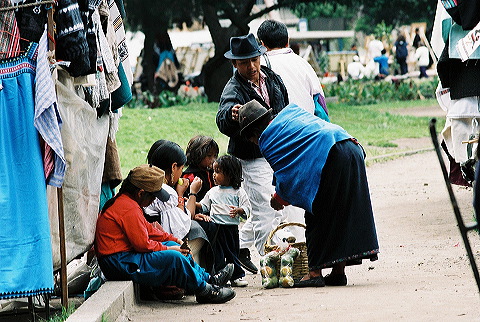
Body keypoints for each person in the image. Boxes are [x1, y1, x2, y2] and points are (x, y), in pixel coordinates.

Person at [237, 100, 379, 287]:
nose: (255, 143)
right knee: (341, 212)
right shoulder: (289, 115)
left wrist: (278, 199)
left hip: (332, 155)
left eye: (252, 140)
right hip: (350, 147)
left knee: (316, 213)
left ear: (253, 134)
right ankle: (338, 272)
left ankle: (314, 272)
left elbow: (289, 176)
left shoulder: (267, 139)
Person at [94, 164, 236, 303]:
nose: (155, 200)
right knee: (174, 257)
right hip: (117, 262)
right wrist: (169, 249)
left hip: (123, 257)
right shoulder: (128, 208)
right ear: (141, 193)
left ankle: (208, 279)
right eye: (153, 196)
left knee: (174, 246)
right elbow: (142, 245)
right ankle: (204, 290)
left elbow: (149, 230)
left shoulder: (128, 202)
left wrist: (176, 241)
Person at [217, 33, 289, 274]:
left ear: (260, 56)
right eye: (244, 62)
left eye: (254, 60)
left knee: (273, 208)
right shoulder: (233, 88)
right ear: (235, 64)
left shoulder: (273, 79)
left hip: (276, 153)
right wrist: (232, 114)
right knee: (266, 209)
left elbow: (285, 107)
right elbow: (222, 117)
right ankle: (272, 264)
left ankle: (238, 247)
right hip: (251, 158)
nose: (251, 66)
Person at [144, 140, 213, 272]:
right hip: (160, 239)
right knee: (203, 228)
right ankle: (209, 277)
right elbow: (181, 227)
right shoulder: (166, 192)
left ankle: (206, 277)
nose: (181, 173)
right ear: (173, 167)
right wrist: (190, 193)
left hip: (156, 236)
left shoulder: (155, 184)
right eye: (181, 169)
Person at [257, 19, 328, 120]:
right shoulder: (304, 64)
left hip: (274, 131)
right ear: (287, 41)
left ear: (262, 44)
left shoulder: (258, 66)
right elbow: (320, 107)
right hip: (308, 129)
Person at [198, 155, 252, 287]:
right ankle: (222, 275)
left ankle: (237, 276)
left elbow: (247, 208)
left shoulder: (238, 192)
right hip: (216, 228)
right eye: (214, 171)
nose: (214, 175)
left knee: (233, 252)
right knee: (218, 254)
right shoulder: (212, 192)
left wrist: (239, 210)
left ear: (230, 174)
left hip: (231, 229)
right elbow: (204, 206)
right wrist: (193, 202)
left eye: (218, 172)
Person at [182, 135, 219, 201]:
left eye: (215, 156)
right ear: (197, 155)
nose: (213, 159)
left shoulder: (213, 173)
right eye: (209, 156)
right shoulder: (190, 176)